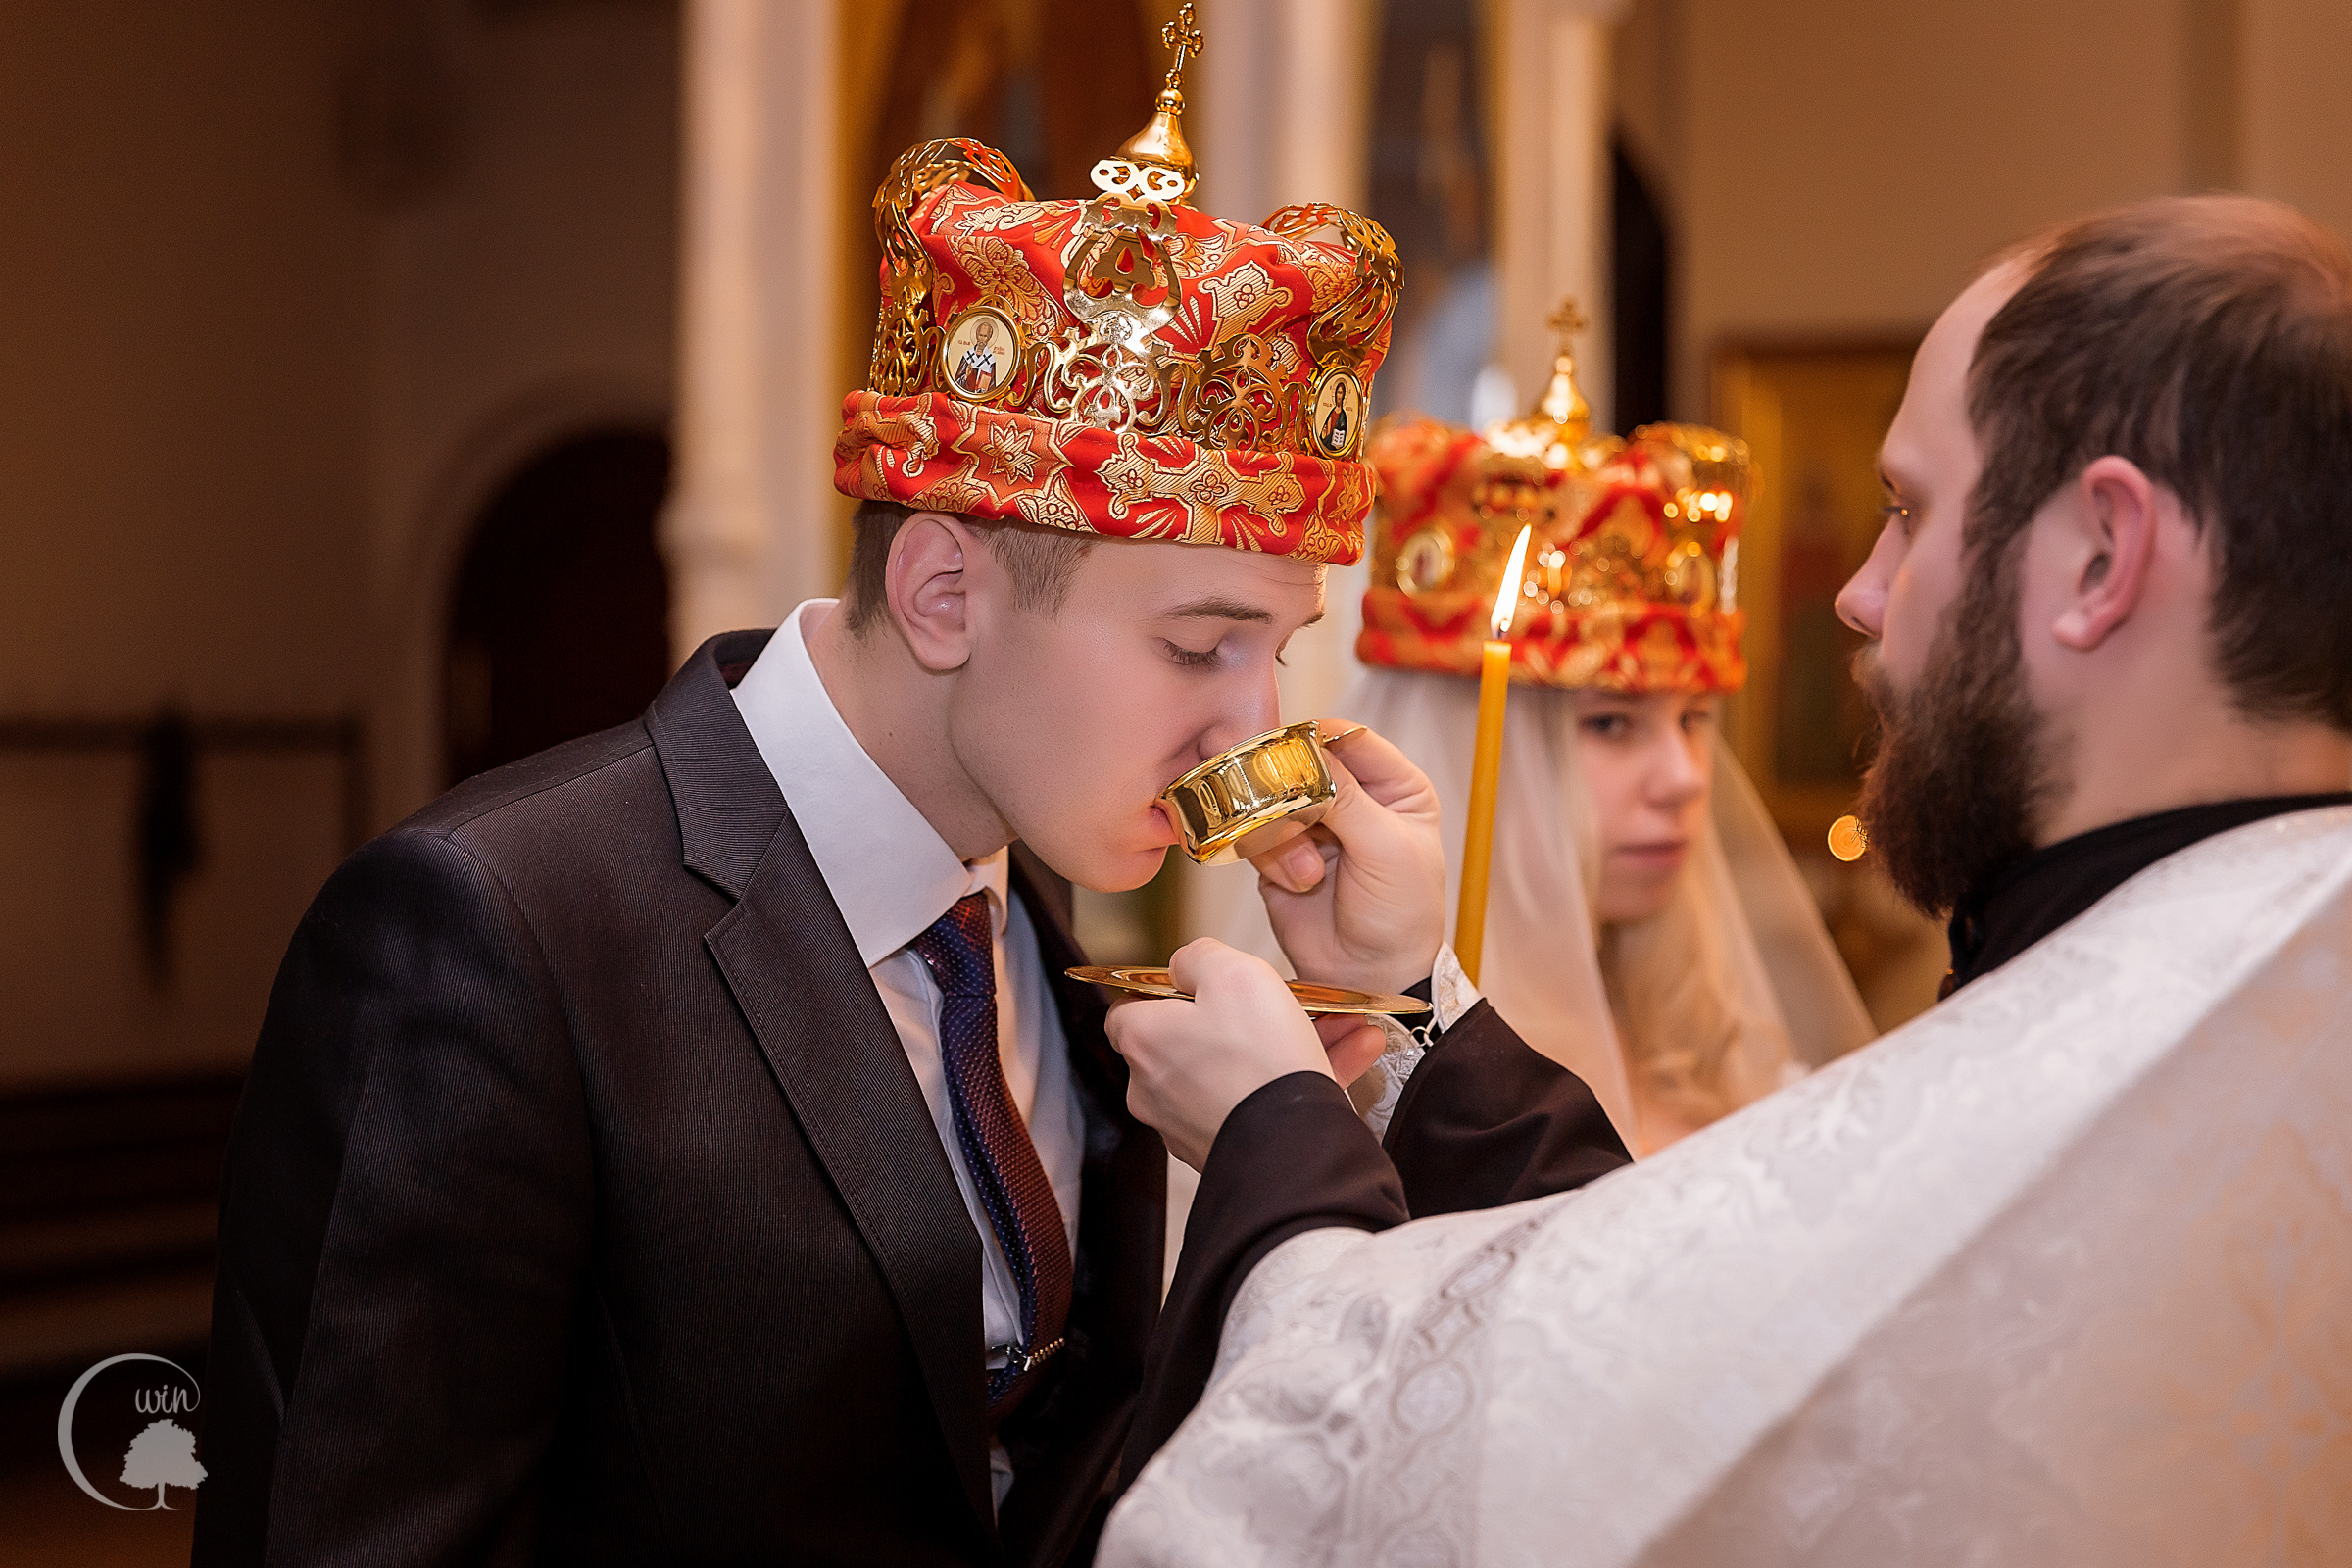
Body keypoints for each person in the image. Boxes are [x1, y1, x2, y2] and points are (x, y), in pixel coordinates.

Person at [194, 49, 1629, 1568]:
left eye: (1273, 653)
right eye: (1198, 646)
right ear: (944, 588)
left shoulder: (1039, 939)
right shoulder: (496, 929)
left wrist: (1390, 996)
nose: (1252, 730)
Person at [1095, 192, 2352, 1563]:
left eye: (1912, 513)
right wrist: (1408, 1007)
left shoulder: (2109, 1065)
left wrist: (1280, 1127)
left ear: (2102, 556)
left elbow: (1376, 1450)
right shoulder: (2248, 980)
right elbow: (1639, 1319)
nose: (1858, 596)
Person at [1223, 311, 1874, 1152]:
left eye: (1694, 720)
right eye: (1611, 724)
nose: (1684, 777)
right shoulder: (1336, 1086)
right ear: (1466, 749)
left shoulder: (1725, 1062)